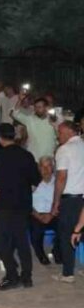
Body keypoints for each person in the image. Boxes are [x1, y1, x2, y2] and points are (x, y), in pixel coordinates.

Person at [0, 122, 41, 290]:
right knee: (22, 241)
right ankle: (27, 277)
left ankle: (12, 275)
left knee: (1, 241)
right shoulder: (27, 155)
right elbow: (36, 180)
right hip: (22, 206)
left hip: (4, 206)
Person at [51, 120, 84, 283]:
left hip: (71, 200)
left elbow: (61, 177)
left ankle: (67, 273)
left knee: (66, 235)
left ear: (69, 132)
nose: (58, 136)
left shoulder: (64, 150)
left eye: (60, 133)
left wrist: (56, 201)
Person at [29, 156, 60, 266]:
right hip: (35, 214)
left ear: (53, 167)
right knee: (36, 230)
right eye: (43, 166)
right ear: (39, 168)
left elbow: (61, 201)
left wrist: (51, 215)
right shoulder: (32, 182)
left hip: (53, 213)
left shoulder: (58, 182)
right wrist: (38, 216)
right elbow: (25, 202)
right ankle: (41, 254)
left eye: (49, 166)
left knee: (65, 226)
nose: (46, 169)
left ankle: (57, 251)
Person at [11, 97, 57, 161]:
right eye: (36, 107)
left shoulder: (53, 120)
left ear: (46, 108)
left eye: (40, 107)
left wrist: (54, 121)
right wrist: (20, 99)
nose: (37, 109)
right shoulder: (30, 119)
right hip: (33, 157)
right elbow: (15, 114)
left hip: (48, 158)